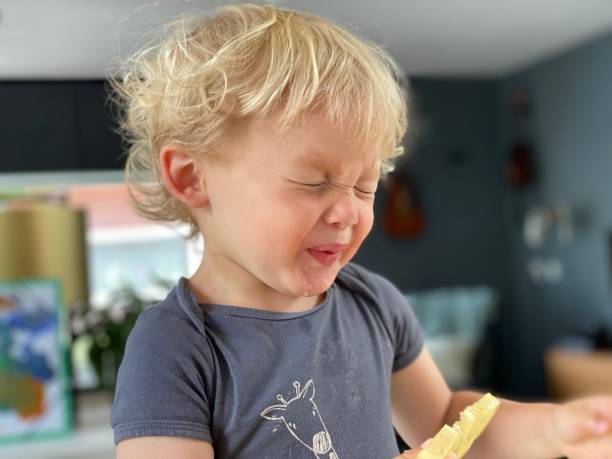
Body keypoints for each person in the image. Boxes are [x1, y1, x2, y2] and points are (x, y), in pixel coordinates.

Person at [109, 4, 612, 458]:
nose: (348, 212)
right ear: (191, 177)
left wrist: (555, 430)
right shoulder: (173, 350)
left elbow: (443, 424)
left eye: (366, 186)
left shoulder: (374, 304)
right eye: (313, 180)